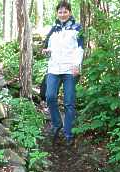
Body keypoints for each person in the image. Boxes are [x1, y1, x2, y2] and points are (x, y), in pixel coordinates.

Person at [43, 1, 84, 146]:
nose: (62, 14)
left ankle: (68, 133)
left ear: (70, 12)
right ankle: (56, 123)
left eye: (65, 11)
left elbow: (80, 48)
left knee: (69, 102)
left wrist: (76, 65)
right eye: (60, 12)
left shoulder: (77, 28)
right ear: (57, 13)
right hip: (54, 68)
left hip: (70, 69)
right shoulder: (53, 29)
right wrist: (47, 52)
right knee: (49, 96)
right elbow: (48, 47)